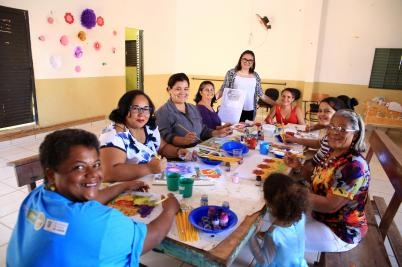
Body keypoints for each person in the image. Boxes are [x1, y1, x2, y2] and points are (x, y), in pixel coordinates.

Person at [7, 128, 180, 266]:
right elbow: (152, 236)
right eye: (79, 167)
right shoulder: (100, 221)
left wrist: (124, 186)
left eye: (97, 164)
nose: (94, 174)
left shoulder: (37, 196)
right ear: (52, 175)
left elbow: (85, 204)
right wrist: (170, 209)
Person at [285, 109, 370, 252]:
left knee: (280, 238)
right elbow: (316, 179)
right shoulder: (333, 152)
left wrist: (294, 192)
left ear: (354, 135)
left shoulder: (353, 166)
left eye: (342, 129)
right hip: (320, 216)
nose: (334, 132)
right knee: (277, 224)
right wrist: (299, 167)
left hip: (341, 229)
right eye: (331, 126)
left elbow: (330, 206)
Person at [99, 90, 190, 182]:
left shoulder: (149, 128)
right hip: (126, 190)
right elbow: (109, 173)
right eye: (135, 108)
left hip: (149, 183)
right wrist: (148, 168)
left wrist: (178, 151)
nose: (141, 114)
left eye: (146, 109)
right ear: (124, 109)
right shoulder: (113, 134)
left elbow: (162, 147)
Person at [156, 73, 231, 148]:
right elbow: (165, 137)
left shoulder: (193, 108)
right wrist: (183, 140)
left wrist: (217, 133)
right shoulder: (162, 112)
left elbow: (203, 130)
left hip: (199, 150)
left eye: (186, 89)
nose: (183, 92)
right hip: (180, 155)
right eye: (178, 89)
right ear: (169, 90)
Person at [249, 173, 309, 267]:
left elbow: (263, 260)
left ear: (268, 204)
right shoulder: (301, 216)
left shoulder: (274, 234)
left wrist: (251, 236)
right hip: (297, 263)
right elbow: (287, 237)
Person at [217, 50, 276, 122]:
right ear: (240, 60)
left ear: (253, 62)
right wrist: (211, 99)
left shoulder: (255, 75)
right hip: (234, 109)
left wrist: (276, 104)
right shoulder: (231, 73)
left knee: (246, 131)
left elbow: (260, 93)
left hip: (250, 110)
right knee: (232, 131)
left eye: (250, 60)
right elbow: (223, 89)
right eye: (245, 59)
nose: (247, 62)